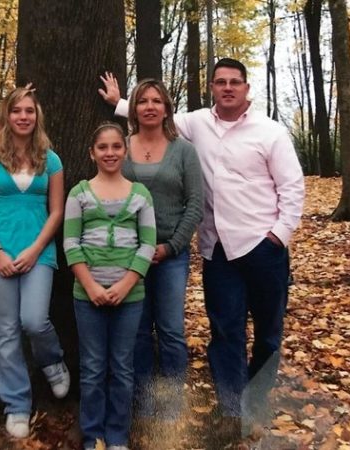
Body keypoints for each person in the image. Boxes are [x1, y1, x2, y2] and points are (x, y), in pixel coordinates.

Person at [99, 58, 305, 442]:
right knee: (226, 332)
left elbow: (292, 187)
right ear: (212, 87)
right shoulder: (197, 123)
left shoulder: (271, 132)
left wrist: (278, 235)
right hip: (218, 250)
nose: (227, 88)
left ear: (246, 88)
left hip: (263, 247)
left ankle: (255, 399)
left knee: (268, 333)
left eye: (234, 82)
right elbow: (151, 113)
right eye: (220, 82)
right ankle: (233, 410)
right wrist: (117, 101)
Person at [0, 87, 69, 439]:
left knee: (34, 320)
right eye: (17, 111)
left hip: (39, 252)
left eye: (29, 110)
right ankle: (16, 405)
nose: (24, 116)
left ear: (37, 116)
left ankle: (52, 360)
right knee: (8, 328)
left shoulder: (51, 160)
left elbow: (56, 211)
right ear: (7, 116)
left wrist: (35, 249)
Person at [64, 122, 157, 450]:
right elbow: (71, 243)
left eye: (116, 146)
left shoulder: (140, 195)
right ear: (92, 153)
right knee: (92, 367)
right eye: (102, 147)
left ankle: (117, 435)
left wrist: (126, 284)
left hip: (129, 298)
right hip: (87, 296)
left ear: (125, 151)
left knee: (121, 367)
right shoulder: (79, 194)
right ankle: (93, 434)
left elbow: (148, 244)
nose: (110, 153)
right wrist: (90, 286)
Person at [121, 79, 203, 418]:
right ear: (134, 109)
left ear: (167, 108)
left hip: (171, 256)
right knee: (138, 331)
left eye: (157, 101)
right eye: (143, 101)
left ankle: (171, 405)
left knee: (170, 330)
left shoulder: (184, 151)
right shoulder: (120, 147)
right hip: (128, 257)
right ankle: (142, 403)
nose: (150, 107)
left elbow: (195, 204)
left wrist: (171, 247)